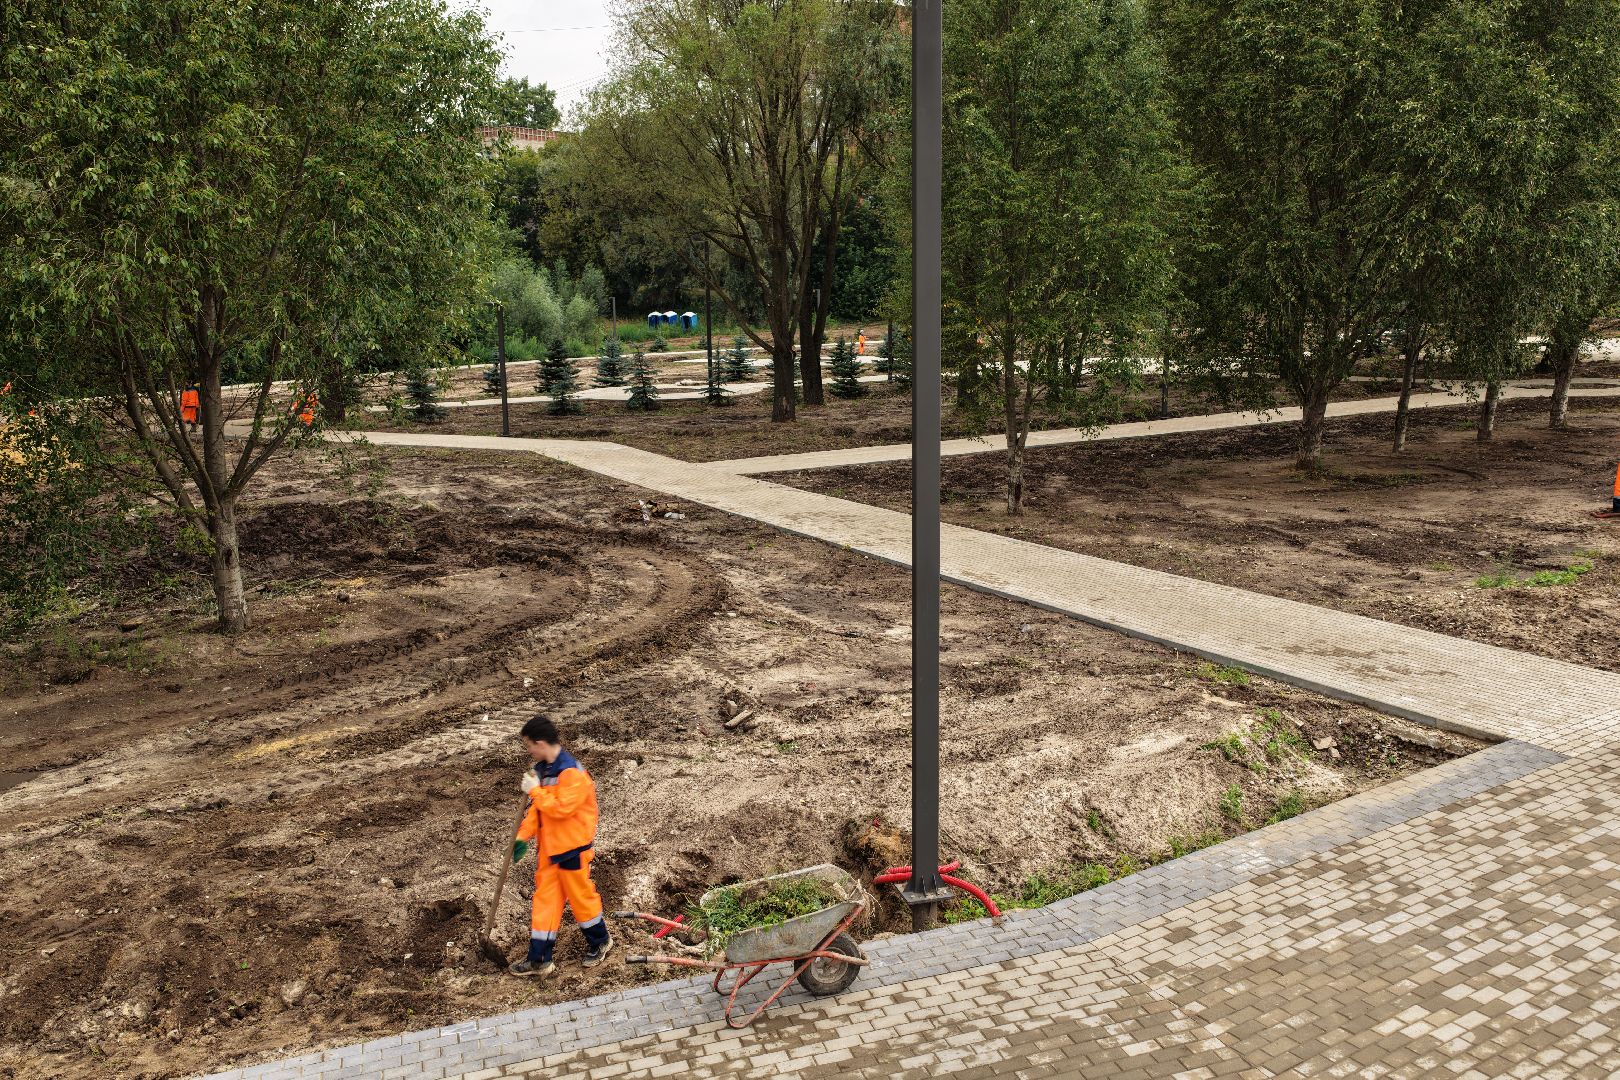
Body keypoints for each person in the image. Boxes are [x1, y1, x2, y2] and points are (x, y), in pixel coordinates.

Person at [509, 714, 613, 977]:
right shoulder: (544, 771)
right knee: (544, 903)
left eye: (529, 745)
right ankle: (539, 959)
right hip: (550, 851)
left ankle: (600, 941)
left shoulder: (572, 774)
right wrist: (522, 837)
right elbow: (538, 811)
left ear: (541, 742)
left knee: (581, 899)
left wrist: (534, 790)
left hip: (572, 849)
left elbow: (561, 809)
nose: (529, 750)